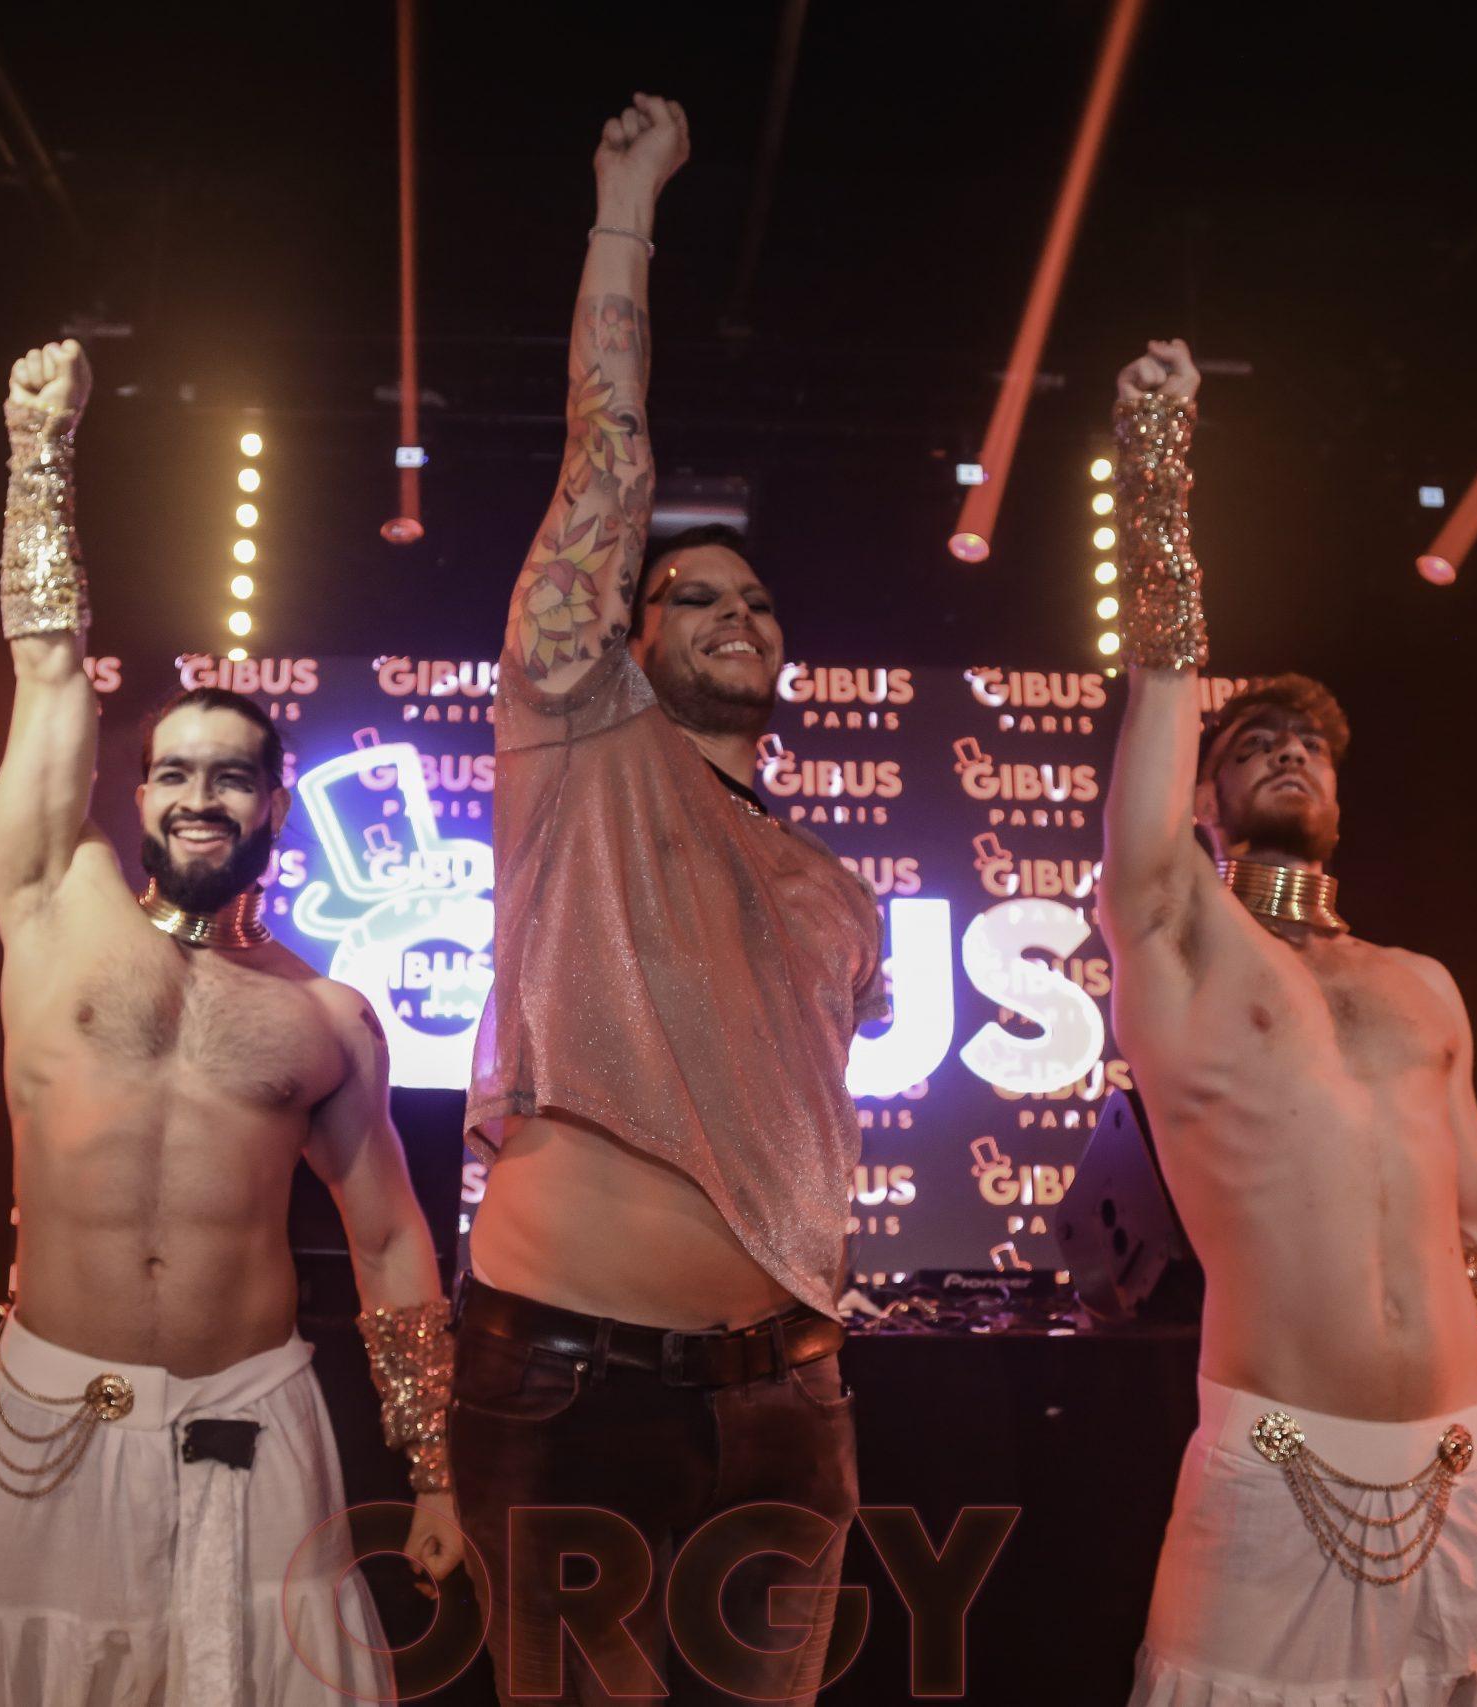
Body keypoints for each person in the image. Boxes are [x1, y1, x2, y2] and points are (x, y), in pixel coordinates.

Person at [0, 336, 459, 1705]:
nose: (202, 797)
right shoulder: (54, 898)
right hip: (57, 1401)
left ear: (273, 803)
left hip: (251, 1412)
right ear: (134, 797)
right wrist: (39, 452)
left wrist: (433, 1468)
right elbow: (47, 667)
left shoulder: (328, 1014)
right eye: (176, 773)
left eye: (233, 776)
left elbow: (388, 1237)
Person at [1095, 339, 1477, 1704]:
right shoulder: (1174, 936)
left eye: (1310, 747)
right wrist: (1157, 466)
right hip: (1278, 1464)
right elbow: (1162, 679)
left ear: (1339, 797)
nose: (1288, 751)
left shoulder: (1422, 983)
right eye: (1251, 745)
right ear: (1202, 802)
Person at [455, 95, 887, 1706]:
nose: (733, 608)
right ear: (621, 636)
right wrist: (626, 205)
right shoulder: (580, 741)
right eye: (687, 591)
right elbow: (607, 459)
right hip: (567, 1379)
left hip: (791, 1396)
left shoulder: (835, 894)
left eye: (755, 598)